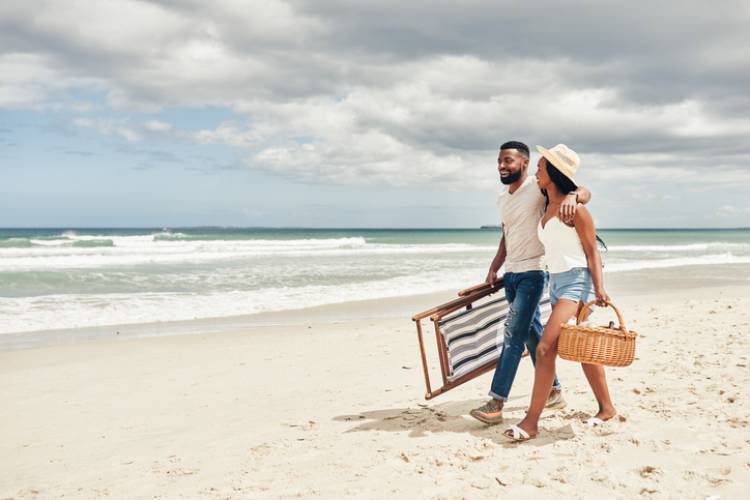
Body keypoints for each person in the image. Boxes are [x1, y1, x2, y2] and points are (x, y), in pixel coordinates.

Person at [470, 141, 591, 425]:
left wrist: (576, 196)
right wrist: (494, 268)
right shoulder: (502, 199)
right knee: (529, 332)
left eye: (508, 161)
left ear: (524, 163)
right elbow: (506, 235)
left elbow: (583, 190)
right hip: (511, 274)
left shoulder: (537, 188)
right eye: (499, 160)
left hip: (534, 273)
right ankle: (554, 391)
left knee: (513, 333)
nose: (502, 166)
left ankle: (496, 402)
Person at [503, 144, 615, 442]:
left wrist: (599, 289)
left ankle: (531, 421)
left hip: (577, 282)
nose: (536, 172)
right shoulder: (546, 203)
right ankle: (607, 408)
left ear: (553, 173)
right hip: (556, 282)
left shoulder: (575, 210)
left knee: (544, 348)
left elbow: (592, 253)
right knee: (583, 347)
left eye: (540, 168)